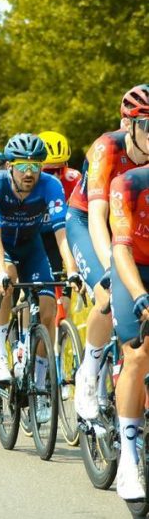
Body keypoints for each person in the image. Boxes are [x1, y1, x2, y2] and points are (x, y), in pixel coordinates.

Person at [0, 133, 81, 427]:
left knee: (49, 308)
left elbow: (62, 233)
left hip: (31, 246)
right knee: (8, 277)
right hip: (0, 246)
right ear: (10, 166)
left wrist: (73, 269)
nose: (29, 173)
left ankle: (40, 386)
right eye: (23, 166)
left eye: (36, 166)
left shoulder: (51, 185)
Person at [72, 85, 149, 423]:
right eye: (146, 125)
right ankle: (89, 371)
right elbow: (97, 217)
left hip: (127, 227)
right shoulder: (106, 148)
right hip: (87, 219)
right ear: (127, 125)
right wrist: (109, 266)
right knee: (108, 290)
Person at [109, 165, 149, 500]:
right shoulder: (130, 183)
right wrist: (139, 296)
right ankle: (129, 457)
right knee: (137, 354)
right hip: (132, 268)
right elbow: (121, 248)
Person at [39, 131, 82, 317]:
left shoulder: (74, 178)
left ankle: (60, 339)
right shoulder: (28, 181)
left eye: (60, 169)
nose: (55, 175)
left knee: (62, 301)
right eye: (49, 171)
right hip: (33, 236)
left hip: (60, 236)